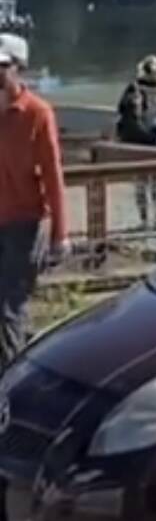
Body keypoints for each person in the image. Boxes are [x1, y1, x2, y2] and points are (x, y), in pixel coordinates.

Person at [0, 33, 69, 370]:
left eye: (3, 66)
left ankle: (10, 387)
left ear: (19, 69)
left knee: (9, 307)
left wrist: (60, 235)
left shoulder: (37, 113)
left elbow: (54, 176)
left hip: (24, 224)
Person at [116, 55, 156, 230]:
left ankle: (144, 220)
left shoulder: (134, 88)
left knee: (141, 183)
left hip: (138, 142)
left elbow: (121, 108)